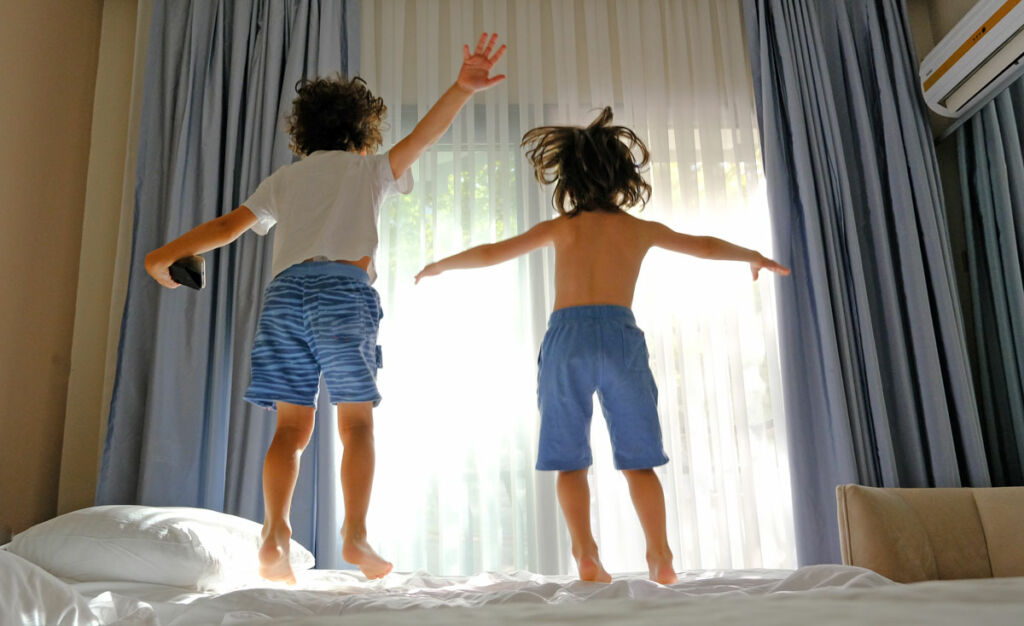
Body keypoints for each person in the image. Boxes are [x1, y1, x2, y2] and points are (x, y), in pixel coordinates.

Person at [144, 33, 508, 583]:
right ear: (362, 134)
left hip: (285, 298)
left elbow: (225, 228)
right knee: (355, 424)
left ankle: (273, 533)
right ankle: (355, 534)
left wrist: (164, 255)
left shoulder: (285, 179)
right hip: (343, 293)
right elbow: (422, 138)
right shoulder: (369, 171)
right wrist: (461, 88)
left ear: (303, 134)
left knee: (290, 431)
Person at [415, 107, 790, 584]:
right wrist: (752, 255)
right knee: (640, 462)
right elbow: (704, 245)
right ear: (622, 178)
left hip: (567, 339)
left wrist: (441, 265)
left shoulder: (562, 228)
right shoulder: (638, 229)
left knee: (569, 462)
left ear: (567, 178)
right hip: (620, 339)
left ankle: (586, 554)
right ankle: (660, 555)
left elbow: (494, 251)